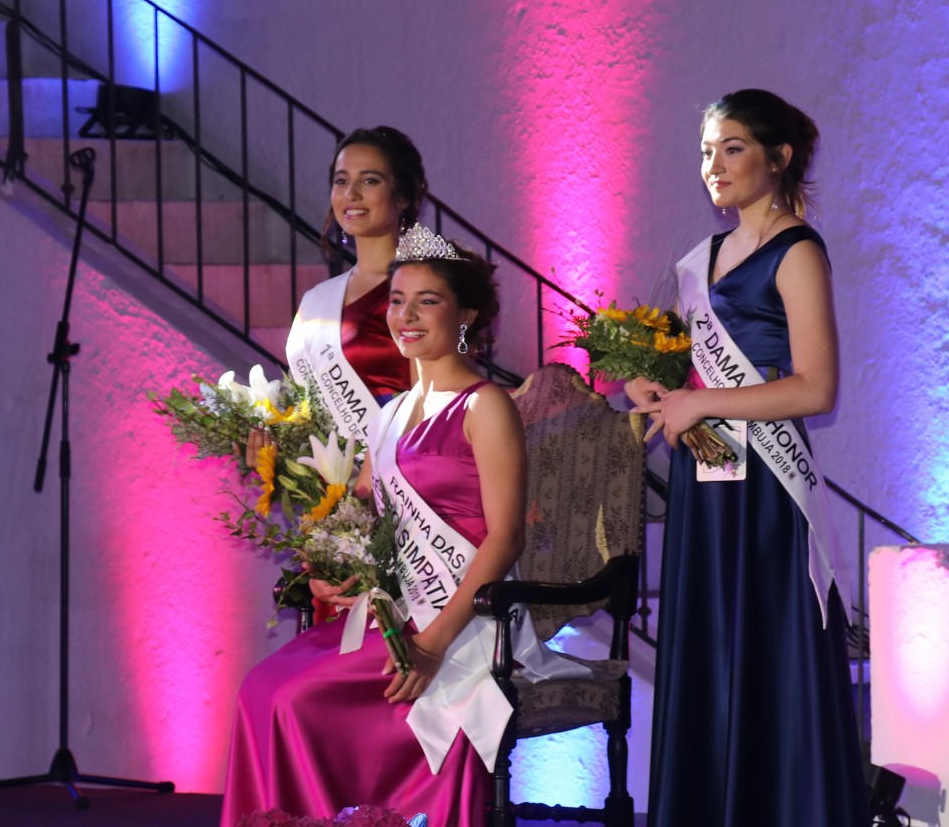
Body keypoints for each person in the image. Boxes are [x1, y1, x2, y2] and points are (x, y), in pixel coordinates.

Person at [219, 224, 587, 827]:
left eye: (427, 301)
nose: (405, 315)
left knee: (292, 699)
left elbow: (506, 536)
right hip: (396, 614)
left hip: (462, 623)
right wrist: (326, 572)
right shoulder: (390, 413)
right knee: (262, 687)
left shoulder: (485, 405)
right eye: (396, 300)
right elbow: (364, 515)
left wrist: (432, 646)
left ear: (466, 315)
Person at [626, 89, 867, 825]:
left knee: (766, 650)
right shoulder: (700, 259)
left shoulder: (797, 250)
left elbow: (816, 386)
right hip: (707, 484)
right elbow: (685, 371)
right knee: (707, 651)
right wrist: (652, 383)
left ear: (779, 156)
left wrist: (704, 402)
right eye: (706, 151)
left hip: (766, 490)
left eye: (732, 147)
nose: (714, 165)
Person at [245, 125, 426, 468]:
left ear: (402, 196)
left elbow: (432, 407)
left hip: (398, 479)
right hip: (330, 491)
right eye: (341, 181)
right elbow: (306, 402)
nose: (351, 194)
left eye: (369, 180)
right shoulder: (317, 299)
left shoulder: (422, 292)